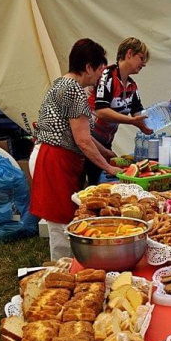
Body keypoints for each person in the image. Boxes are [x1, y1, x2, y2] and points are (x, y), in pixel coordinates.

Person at [30, 38, 121, 260]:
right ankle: (63, 270)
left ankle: (68, 266)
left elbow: (82, 134)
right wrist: (108, 167)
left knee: (65, 219)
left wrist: (107, 152)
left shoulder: (63, 83)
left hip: (53, 155)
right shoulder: (74, 91)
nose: (100, 76)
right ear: (89, 67)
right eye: (99, 70)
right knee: (61, 224)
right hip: (54, 159)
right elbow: (82, 141)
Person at [87, 37, 153, 184]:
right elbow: (101, 111)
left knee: (98, 183)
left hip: (106, 141)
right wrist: (131, 121)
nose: (144, 64)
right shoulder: (107, 75)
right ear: (129, 53)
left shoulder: (131, 85)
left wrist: (157, 119)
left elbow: (138, 113)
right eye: (141, 58)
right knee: (89, 184)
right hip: (89, 139)